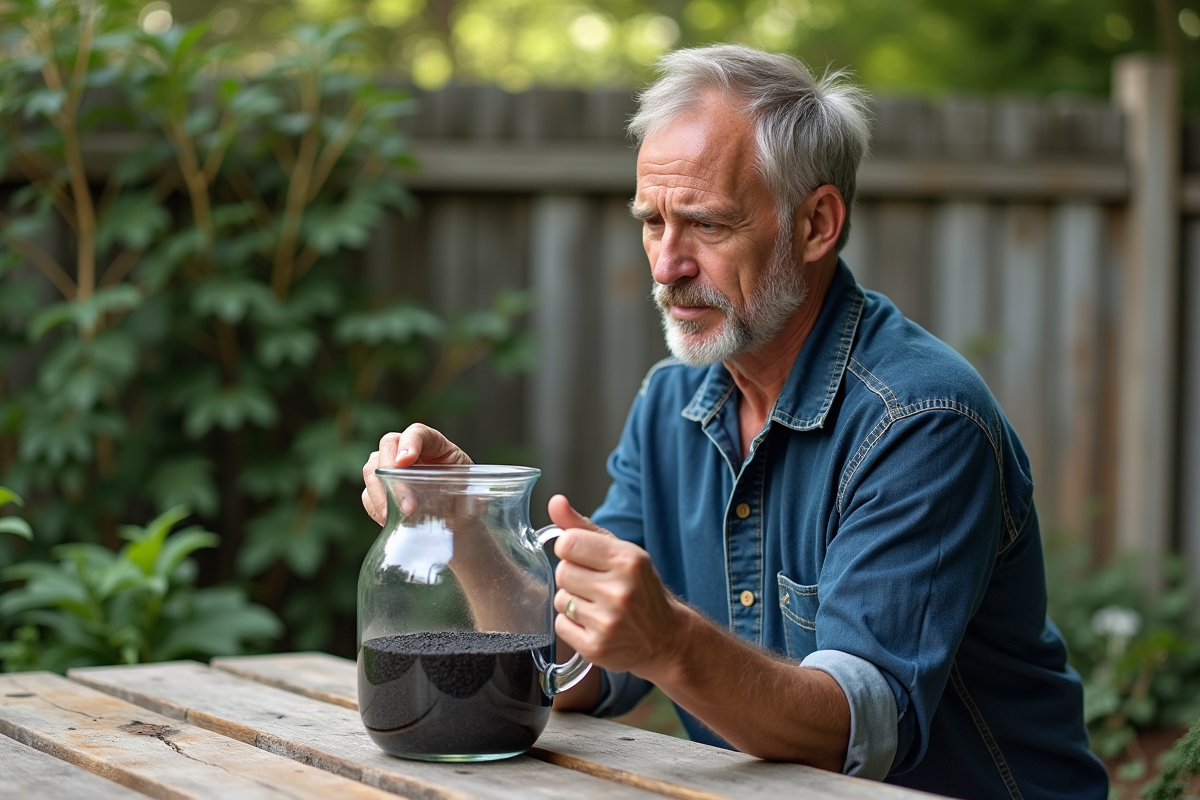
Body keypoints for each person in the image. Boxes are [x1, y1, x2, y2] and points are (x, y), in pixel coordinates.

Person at [362, 45, 1108, 798]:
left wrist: (671, 641)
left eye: (707, 225)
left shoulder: (922, 420)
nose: (666, 265)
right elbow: (578, 673)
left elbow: (856, 733)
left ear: (816, 224)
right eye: (652, 222)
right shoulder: (670, 404)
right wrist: (463, 526)